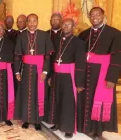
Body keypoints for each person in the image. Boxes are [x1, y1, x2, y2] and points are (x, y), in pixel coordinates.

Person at [78, 7, 121, 138]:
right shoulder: (84, 34)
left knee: (98, 100)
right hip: (86, 72)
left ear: (103, 15)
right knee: (86, 99)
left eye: (97, 14)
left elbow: (117, 57)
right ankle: (85, 126)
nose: (94, 17)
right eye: (92, 15)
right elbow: (79, 56)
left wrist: (112, 78)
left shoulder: (115, 33)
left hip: (102, 74)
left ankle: (98, 129)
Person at [14, 13, 54, 131]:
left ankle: (37, 120)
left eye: (34, 21)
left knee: (38, 95)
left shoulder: (44, 35)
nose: (32, 23)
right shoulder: (21, 36)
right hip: (26, 70)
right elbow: (17, 56)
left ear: (37, 21)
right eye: (29, 21)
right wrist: (17, 72)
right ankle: (26, 119)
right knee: (26, 94)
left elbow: (47, 56)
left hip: (40, 69)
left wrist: (45, 71)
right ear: (27, 22)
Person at [48, 18, 86, 138]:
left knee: (68, 102)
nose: (66, 26)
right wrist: (51, 75)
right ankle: (58, 123)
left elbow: (81, 64)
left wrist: (79, 83)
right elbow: (53, 60)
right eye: (64, 24)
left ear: (73, 27)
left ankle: (68, 128)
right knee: (57, 100)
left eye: (68, 25)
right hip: (57, 75)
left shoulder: (78, 42)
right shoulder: (57, 40)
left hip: (69, 76)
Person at [44, 12, 63, 123]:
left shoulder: (65, 34)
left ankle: (57, 117)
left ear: (61, 21)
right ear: (50, 21)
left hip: (60, 68)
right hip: (46, 67)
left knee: (57, 93)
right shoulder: (45, 34)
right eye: (53, 19)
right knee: (46, 92)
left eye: (57, 19)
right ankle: (46, 116)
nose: (55, 21)